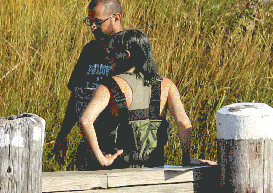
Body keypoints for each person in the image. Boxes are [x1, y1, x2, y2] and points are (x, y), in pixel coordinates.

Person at [78, 29, 213, 169]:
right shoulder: (166, 85)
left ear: (126, 55)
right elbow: (183, 122)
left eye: (112, 52)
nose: (108, 57)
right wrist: (187, 158)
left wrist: (100, 157)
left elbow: (85, 120)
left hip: (117, 172)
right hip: (154, 171)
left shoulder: (109, 86)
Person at [52, 0, 125, 169]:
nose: (92, 27)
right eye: (89, 21)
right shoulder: (90, 50)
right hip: (88, 146)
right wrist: (63, 135)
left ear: (116, 18)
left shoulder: (129, 49)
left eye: (98, 22)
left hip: (117, 149)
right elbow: (76, 95)